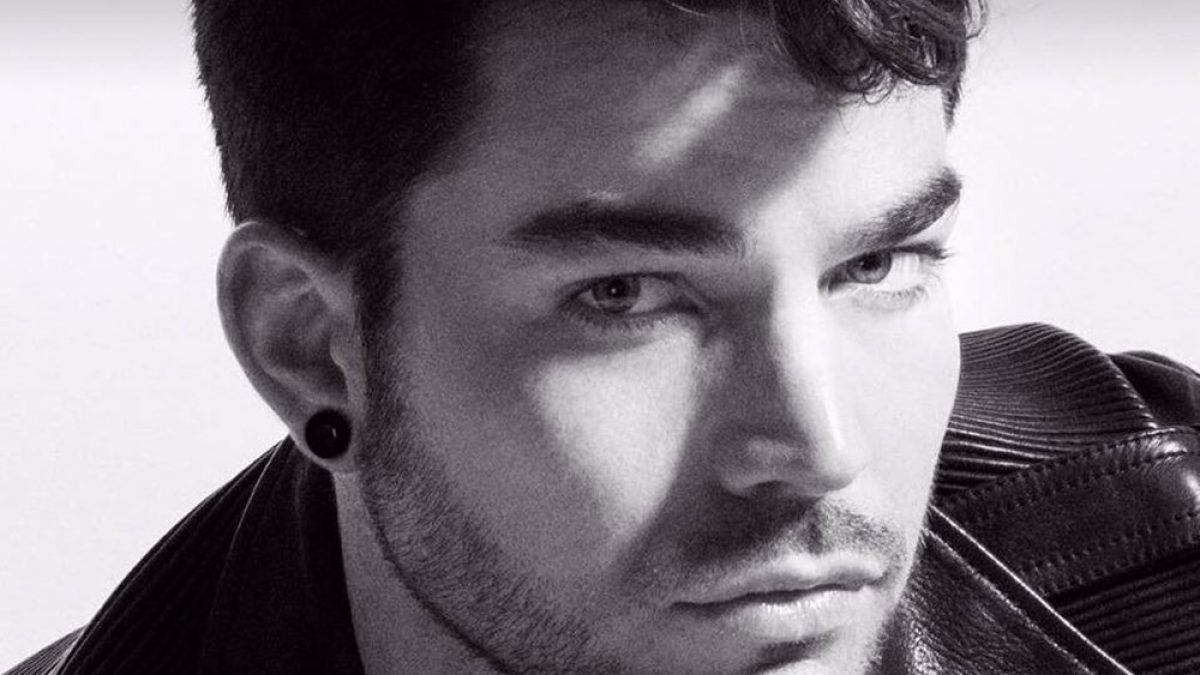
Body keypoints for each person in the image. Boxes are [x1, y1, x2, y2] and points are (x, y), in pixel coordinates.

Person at [8, 1, 1200, 674]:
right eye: (627, 296)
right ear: (312, 348)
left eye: (876, 266)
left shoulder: (1172, 524)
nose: (820, 449)